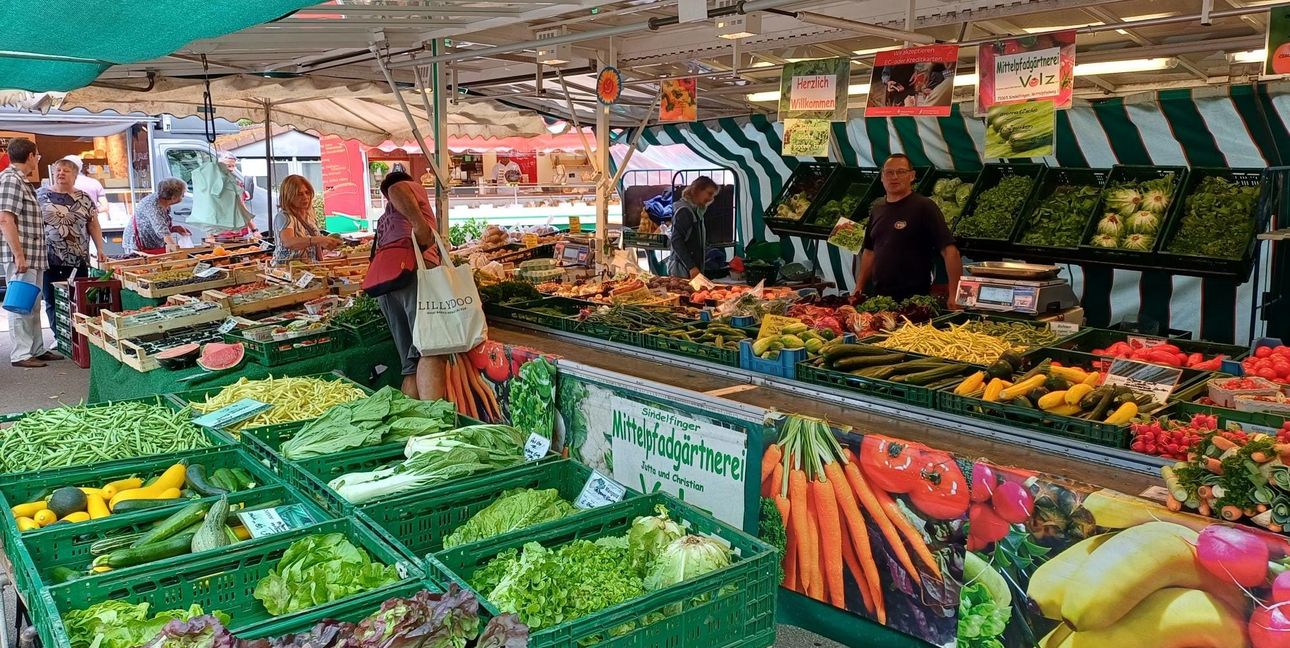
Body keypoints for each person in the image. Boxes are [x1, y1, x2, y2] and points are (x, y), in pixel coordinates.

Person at [371, 170, 445, 401]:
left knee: (410, 362)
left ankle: (412, 419)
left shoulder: (386, 218)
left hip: (386, 283)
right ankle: (434, 421)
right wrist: (420, 226)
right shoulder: (406, 187)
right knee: (430, 349)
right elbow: (397, 189)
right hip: (414, 273)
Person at [855, 153, 962, 305]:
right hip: (880, 298)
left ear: (912, 176)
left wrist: (955, 294)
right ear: (882, 177)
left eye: (901, 172)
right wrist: (859, 287)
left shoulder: (924, 206)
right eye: (889, 172)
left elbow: (951, 252)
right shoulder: (877, 209)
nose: (894, 177)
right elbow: (869, 251)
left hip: (915, 300)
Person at [0, 137, 59, 367]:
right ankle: (22, 353)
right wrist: (19, 255)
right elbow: (5, 220)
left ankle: (36, 348)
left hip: (32, 254)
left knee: (33, 303)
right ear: (31, 156)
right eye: (38, 156)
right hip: (23, 255)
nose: (38, 160)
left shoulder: (20, 180)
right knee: (19, 303)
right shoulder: (10, 180)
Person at [37, 158, 107, 327]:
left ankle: (78, 333)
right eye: (58, 170)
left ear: (75, 176)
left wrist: (100, 249)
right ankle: (58, 335)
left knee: (77, 298)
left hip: (77, 259)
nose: (61, 173)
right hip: (48, 259)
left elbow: (93, 224)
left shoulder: (83, 198)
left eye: (66, 171)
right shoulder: (39, 195)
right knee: (52, 299)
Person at [272, 175, 340, 264]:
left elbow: (314, 243)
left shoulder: (309, 215)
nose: (305, 197)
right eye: (299, 194)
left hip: (310, 268)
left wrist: (326, 242)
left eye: (307, 192)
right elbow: (288, 242)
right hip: (289, 271)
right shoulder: (284, 216)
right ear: (289, 196)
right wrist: (318, 239)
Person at [667, 176, 719, 279]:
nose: (711, 198)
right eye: (709, 193)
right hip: (682, 268)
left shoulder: (697, 211)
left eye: (713, 195)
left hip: (691, 267)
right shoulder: (685, 211)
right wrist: (692, 267)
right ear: (697, 190)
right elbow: (676, 241)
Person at [123, 178, 190, 255]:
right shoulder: (153, 205)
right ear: (173, 197)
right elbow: (162, 231)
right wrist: (176, 251)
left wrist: (174, 229)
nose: (183, 197)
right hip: (137, 245)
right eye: (182, 195)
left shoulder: (163, 201)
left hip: (149, 243)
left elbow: (159, 224)